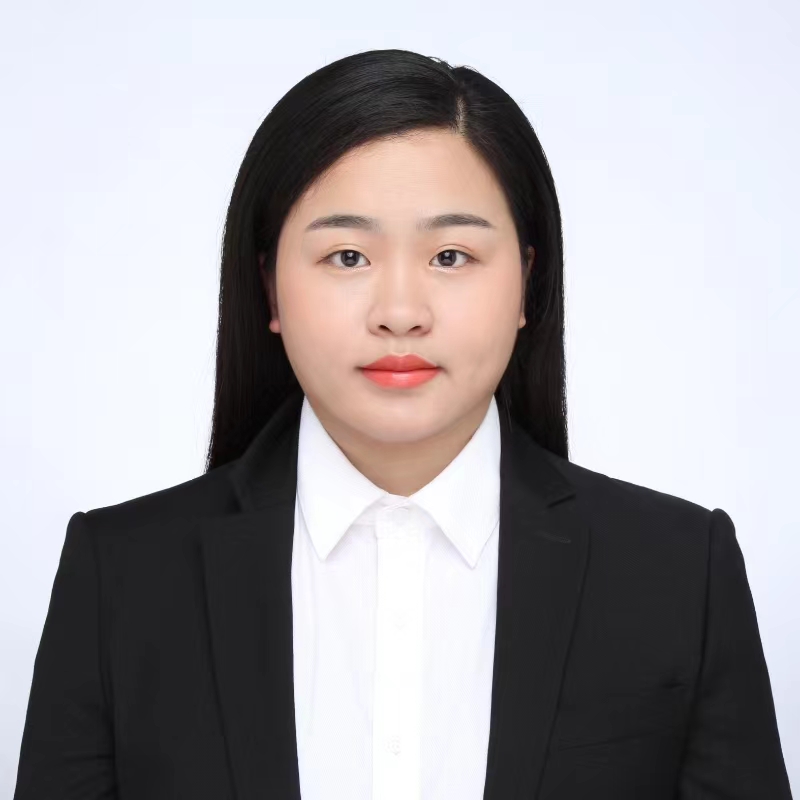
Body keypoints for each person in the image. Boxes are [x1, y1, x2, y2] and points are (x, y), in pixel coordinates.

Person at [13, 48, 793, 800]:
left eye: (450, 256)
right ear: (270, 287)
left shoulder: (679, 574)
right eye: (347, 257)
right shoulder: (121, 578)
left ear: (527, 281)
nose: (399, 313)